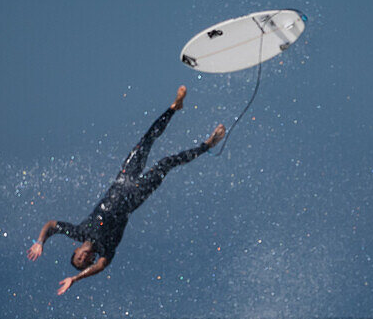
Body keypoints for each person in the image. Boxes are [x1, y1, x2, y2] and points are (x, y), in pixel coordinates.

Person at [27, 86, 225, 295]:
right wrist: (75, 279)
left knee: (145, 142)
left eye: (78, 257)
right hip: (137, 194)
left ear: (76, 249)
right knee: (167, 163)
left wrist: (40, 242)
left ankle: (174, 107)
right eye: (85, 262)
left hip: (123, 180)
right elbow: (101, 266)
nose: (83, 258)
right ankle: (208, 144)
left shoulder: (79, 231)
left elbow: (50, 224)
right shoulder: (106, 249)